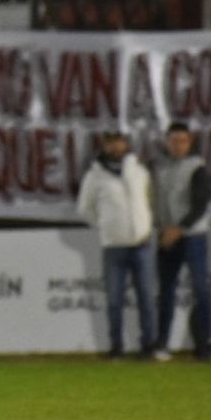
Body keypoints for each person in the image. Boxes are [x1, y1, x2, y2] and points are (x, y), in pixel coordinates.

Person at [77, 130, 157, 359]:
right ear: (104, 146)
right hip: (113, 246)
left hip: (141, 242)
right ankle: (116, 346)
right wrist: (106, 227)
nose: (115, 147)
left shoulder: (140, 172)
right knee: (114, 300)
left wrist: (145, 225)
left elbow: (149, 201)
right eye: (111, 143)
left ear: (126, 144)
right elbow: (85, 209)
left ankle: (148, 345)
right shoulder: (94, 176)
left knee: (146, 297)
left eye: (119, 142)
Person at [153, 122, 211, 362]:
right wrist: (161, 228)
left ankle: (204, 344)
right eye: (174, 140)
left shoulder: (197, 167)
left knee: (201, 288)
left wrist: (179, 228)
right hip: (167, 235)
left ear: (190, 142)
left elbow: (201, 203)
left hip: (192, 236)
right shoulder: (159, 167)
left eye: (183, 141)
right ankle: (162, 344)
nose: (178, 145)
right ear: (167, 142)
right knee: (166, 291)